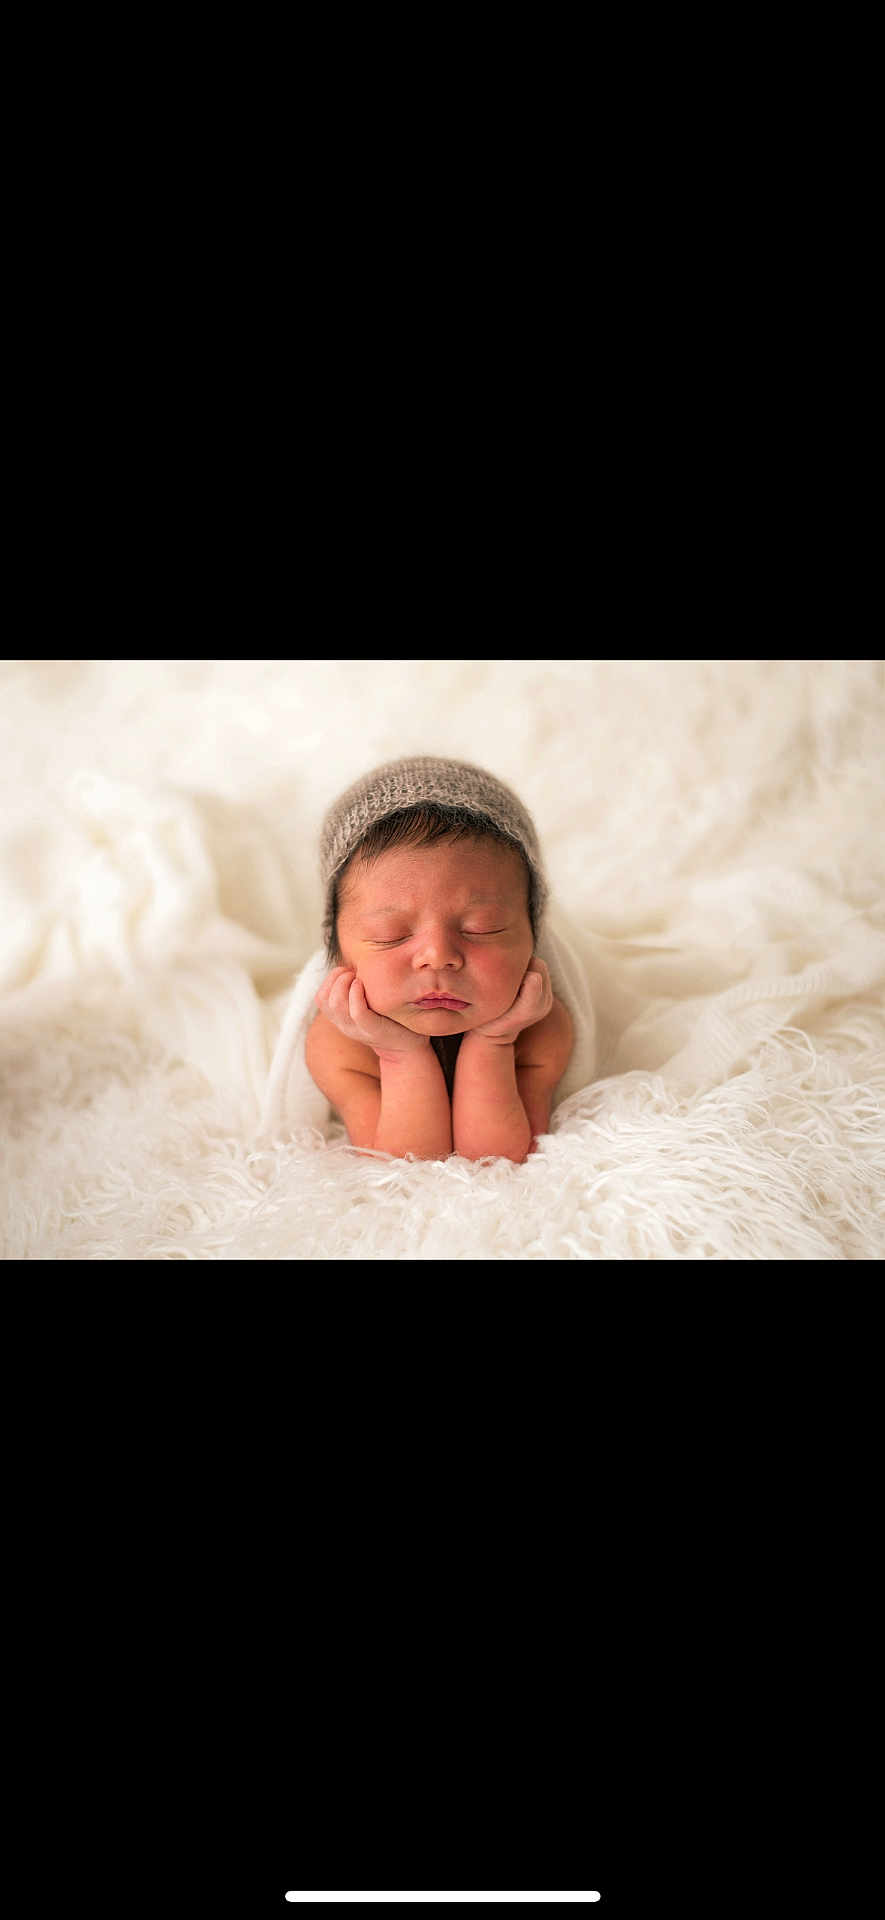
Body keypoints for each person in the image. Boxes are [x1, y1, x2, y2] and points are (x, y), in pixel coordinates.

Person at [304, 755, 576, 1162]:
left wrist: (495, 1041)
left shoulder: (540, 1026)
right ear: (340, 954)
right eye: (390, 935)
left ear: (531, 941)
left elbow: (496, 1160)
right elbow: (402, 1165)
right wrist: (398, 1053)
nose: (438, 957)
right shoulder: (340, 1042)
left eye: (483, 928)